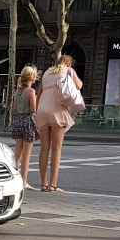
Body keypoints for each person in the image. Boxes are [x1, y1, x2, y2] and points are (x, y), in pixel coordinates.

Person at [35, 55, 82, 192]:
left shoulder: (46, 73)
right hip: (57, 109)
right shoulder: (69, 71)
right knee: (57, 148)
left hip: (43, 109)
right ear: (69, 63)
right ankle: (53, 184)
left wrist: (37, 111)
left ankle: (43, 183)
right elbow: (79, 85)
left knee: (44, 148)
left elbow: (39, 93)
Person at [10, 66, 39, 190]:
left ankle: (13, 177)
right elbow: (34, 109)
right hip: (28, 121)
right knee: (27, 154)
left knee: (18, 153)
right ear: (32, 77)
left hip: (19, 120)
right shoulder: (31, 92)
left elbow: (15, 107)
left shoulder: (18, 91)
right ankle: (24, 181)